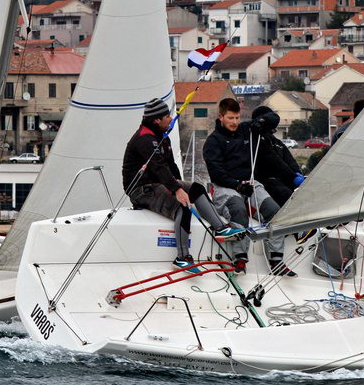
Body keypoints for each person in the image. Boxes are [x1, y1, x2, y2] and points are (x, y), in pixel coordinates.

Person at [122, 96, 245, 271]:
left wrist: (181, 185)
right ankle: (182, 258)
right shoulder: (145, 139)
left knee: (197, 188)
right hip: (141, 189)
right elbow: (158, 167)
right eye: (167, 117)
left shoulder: (162, 137)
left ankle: (220, 228)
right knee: (182, 206)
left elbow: (171, 166)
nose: (171, 119)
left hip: (158, 184)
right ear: (157, 120)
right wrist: (177, 191)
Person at [204, 102, 295, 275]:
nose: (234, 122)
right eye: (230, 118)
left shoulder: (246, 130)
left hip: (250, 183)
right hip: (225, 186)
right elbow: (216, 174)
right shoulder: (213, 142)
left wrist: (261, 121)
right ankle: (240, 258)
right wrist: (238, 185)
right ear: (220, 117)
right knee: (238, 209)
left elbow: (274, 118)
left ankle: (276, 260)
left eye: (237, 118)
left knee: (274, 210)